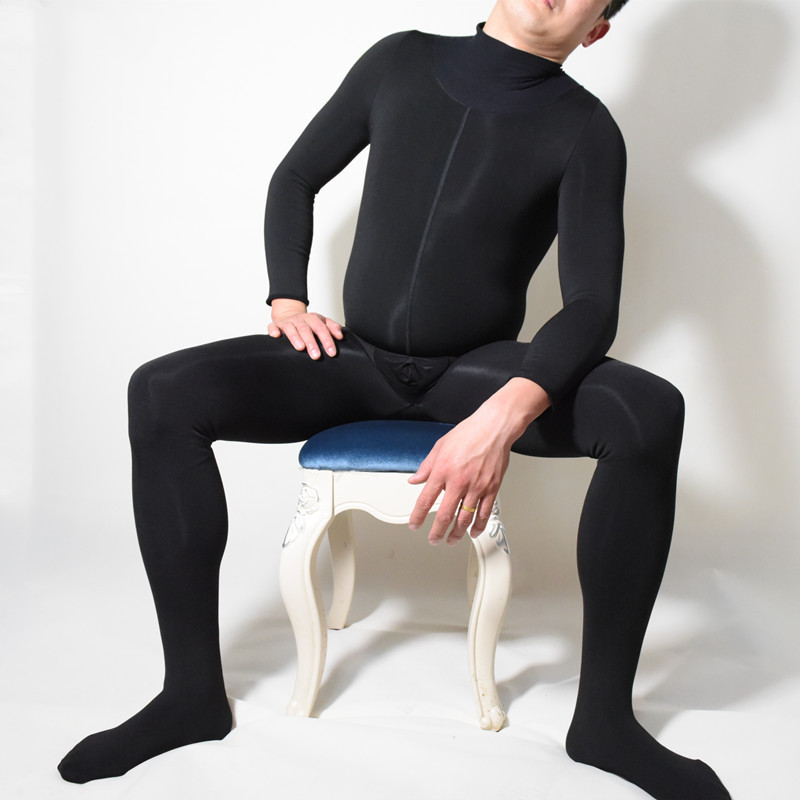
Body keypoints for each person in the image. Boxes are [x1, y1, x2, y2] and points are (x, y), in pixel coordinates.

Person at [58, 1, 732, 797]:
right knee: (161, 393)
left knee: (649, 412)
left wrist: (504, 414)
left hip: (474, 377)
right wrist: (286, 299)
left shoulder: (587, 130)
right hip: (352, 363)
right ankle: (189, 695)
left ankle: (606, 723)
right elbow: (295, 178)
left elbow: (591, 305)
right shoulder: (400, 61)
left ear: (597, 30)